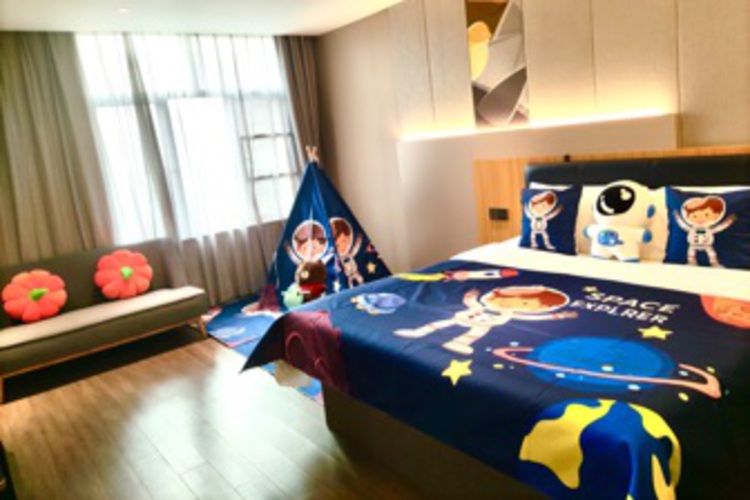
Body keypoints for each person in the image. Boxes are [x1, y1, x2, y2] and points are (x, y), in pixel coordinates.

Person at [394, 285, 577, 355]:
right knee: (444, 322)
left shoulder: (511, 313)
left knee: (477, 332)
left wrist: (558, 315)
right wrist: (470, 297)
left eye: (524, 303)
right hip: (470, 316)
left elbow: (530, 317)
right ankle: (418, 332)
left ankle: (458, 343)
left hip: (484, 323)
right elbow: (471, 302)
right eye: (510, 298)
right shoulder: (486, 304)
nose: (512, 303)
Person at [674, 196, 735, 266]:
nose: (700, 219)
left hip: (707, 245)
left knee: (711, 253)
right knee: (691, 253)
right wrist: (677, 217)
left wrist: (729, 221)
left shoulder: (708, 230)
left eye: (706, 215)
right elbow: (682, 225)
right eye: (695, 216)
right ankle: (691, 262)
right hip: (693, 244)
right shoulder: (692, 229)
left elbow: (720, 227)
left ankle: (714, 263)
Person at [330, 217, 364, 288]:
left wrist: (358, 241)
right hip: (349, 274)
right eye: (338, 245)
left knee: (360, 279)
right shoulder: (338, 259)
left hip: (355, 271)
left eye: (345, 241)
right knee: (350, 283)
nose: (343, 247)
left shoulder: (349, 255)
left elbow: (355, 249)